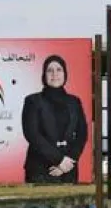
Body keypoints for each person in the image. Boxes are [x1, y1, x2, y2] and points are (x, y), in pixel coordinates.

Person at [21, 55, 89, 183]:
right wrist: (59, 160)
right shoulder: (33, 101)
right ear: (44, 75)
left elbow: (82, 134)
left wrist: (69, 161)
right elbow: (32, 134)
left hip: (68, 169)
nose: (54, 74)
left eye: (59, 69)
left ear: (65, 74)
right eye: (50, 70)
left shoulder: (74, 102)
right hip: (40, 169)